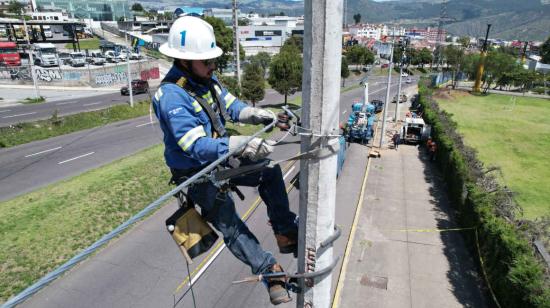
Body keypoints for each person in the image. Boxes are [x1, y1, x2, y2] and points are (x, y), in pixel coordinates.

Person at [152, 16, 297, 305]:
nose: (212, 66)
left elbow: (231, 105)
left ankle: (284, 231)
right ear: (184, 61)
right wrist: (240, 145)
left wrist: (259, 115)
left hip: (218, 160)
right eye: (206, 62)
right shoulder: (171, 96)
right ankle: (270, 271)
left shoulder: (206, 80)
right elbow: (194, 145)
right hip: (196, 173)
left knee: (269, 172)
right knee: (229, 222)